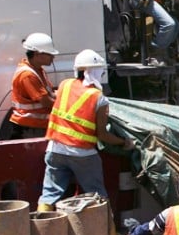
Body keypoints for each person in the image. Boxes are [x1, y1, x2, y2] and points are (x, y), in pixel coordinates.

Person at [37, 49, 134, 212]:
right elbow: (102, 135)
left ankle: (42, 229)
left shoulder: (64, 85)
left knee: (49, 195)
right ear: (96, 71)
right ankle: (108, 233)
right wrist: (125, 142)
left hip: (54, 150)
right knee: (98, 196)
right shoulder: (99, 98)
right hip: (82, 155)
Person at [8, 33, 58, 139]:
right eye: (49, 54)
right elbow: (46, 102)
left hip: (35, 126)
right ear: (37, 54)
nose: (53, 57)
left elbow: (49, 94)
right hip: (29, 127)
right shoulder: (28, 75)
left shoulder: (37, 70)